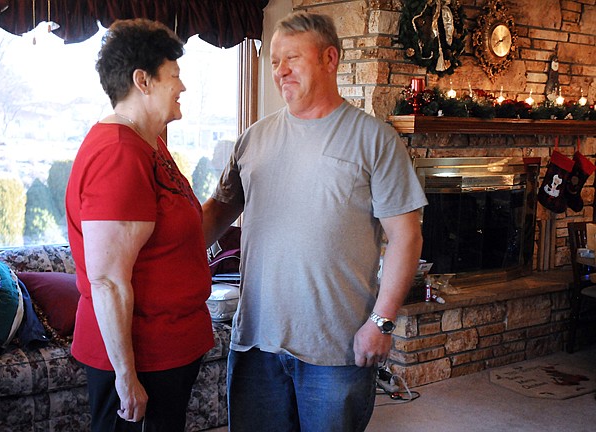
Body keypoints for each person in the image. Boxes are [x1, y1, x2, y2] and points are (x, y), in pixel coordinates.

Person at [203, 11, 428, 432]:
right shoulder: (253, 138)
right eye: (273, 61)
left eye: (292, 57)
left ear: (329, 59)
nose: (281, 70)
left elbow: (406, 237)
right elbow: (217, 212)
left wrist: (381, 321)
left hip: (337, 351)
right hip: (255, 344)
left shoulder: (375, 139)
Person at [65, 18, 213, 432]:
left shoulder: (150, 144)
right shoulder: (118, 154)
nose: (182, 87)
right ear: (142, 81)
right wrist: (126, 379)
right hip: (140, 358)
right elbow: (108, 281)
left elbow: (180, 232)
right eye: (175, 76)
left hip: (169, 349)